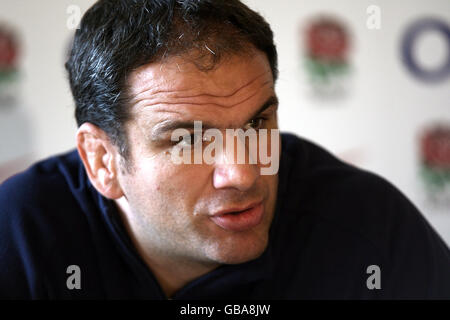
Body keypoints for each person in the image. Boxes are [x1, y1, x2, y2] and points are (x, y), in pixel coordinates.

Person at [1, 0, 449, 300]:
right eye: (188, 139)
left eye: (257, 122)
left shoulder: (368, 227)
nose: (243, 172)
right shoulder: (20, 239)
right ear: (103, 161)